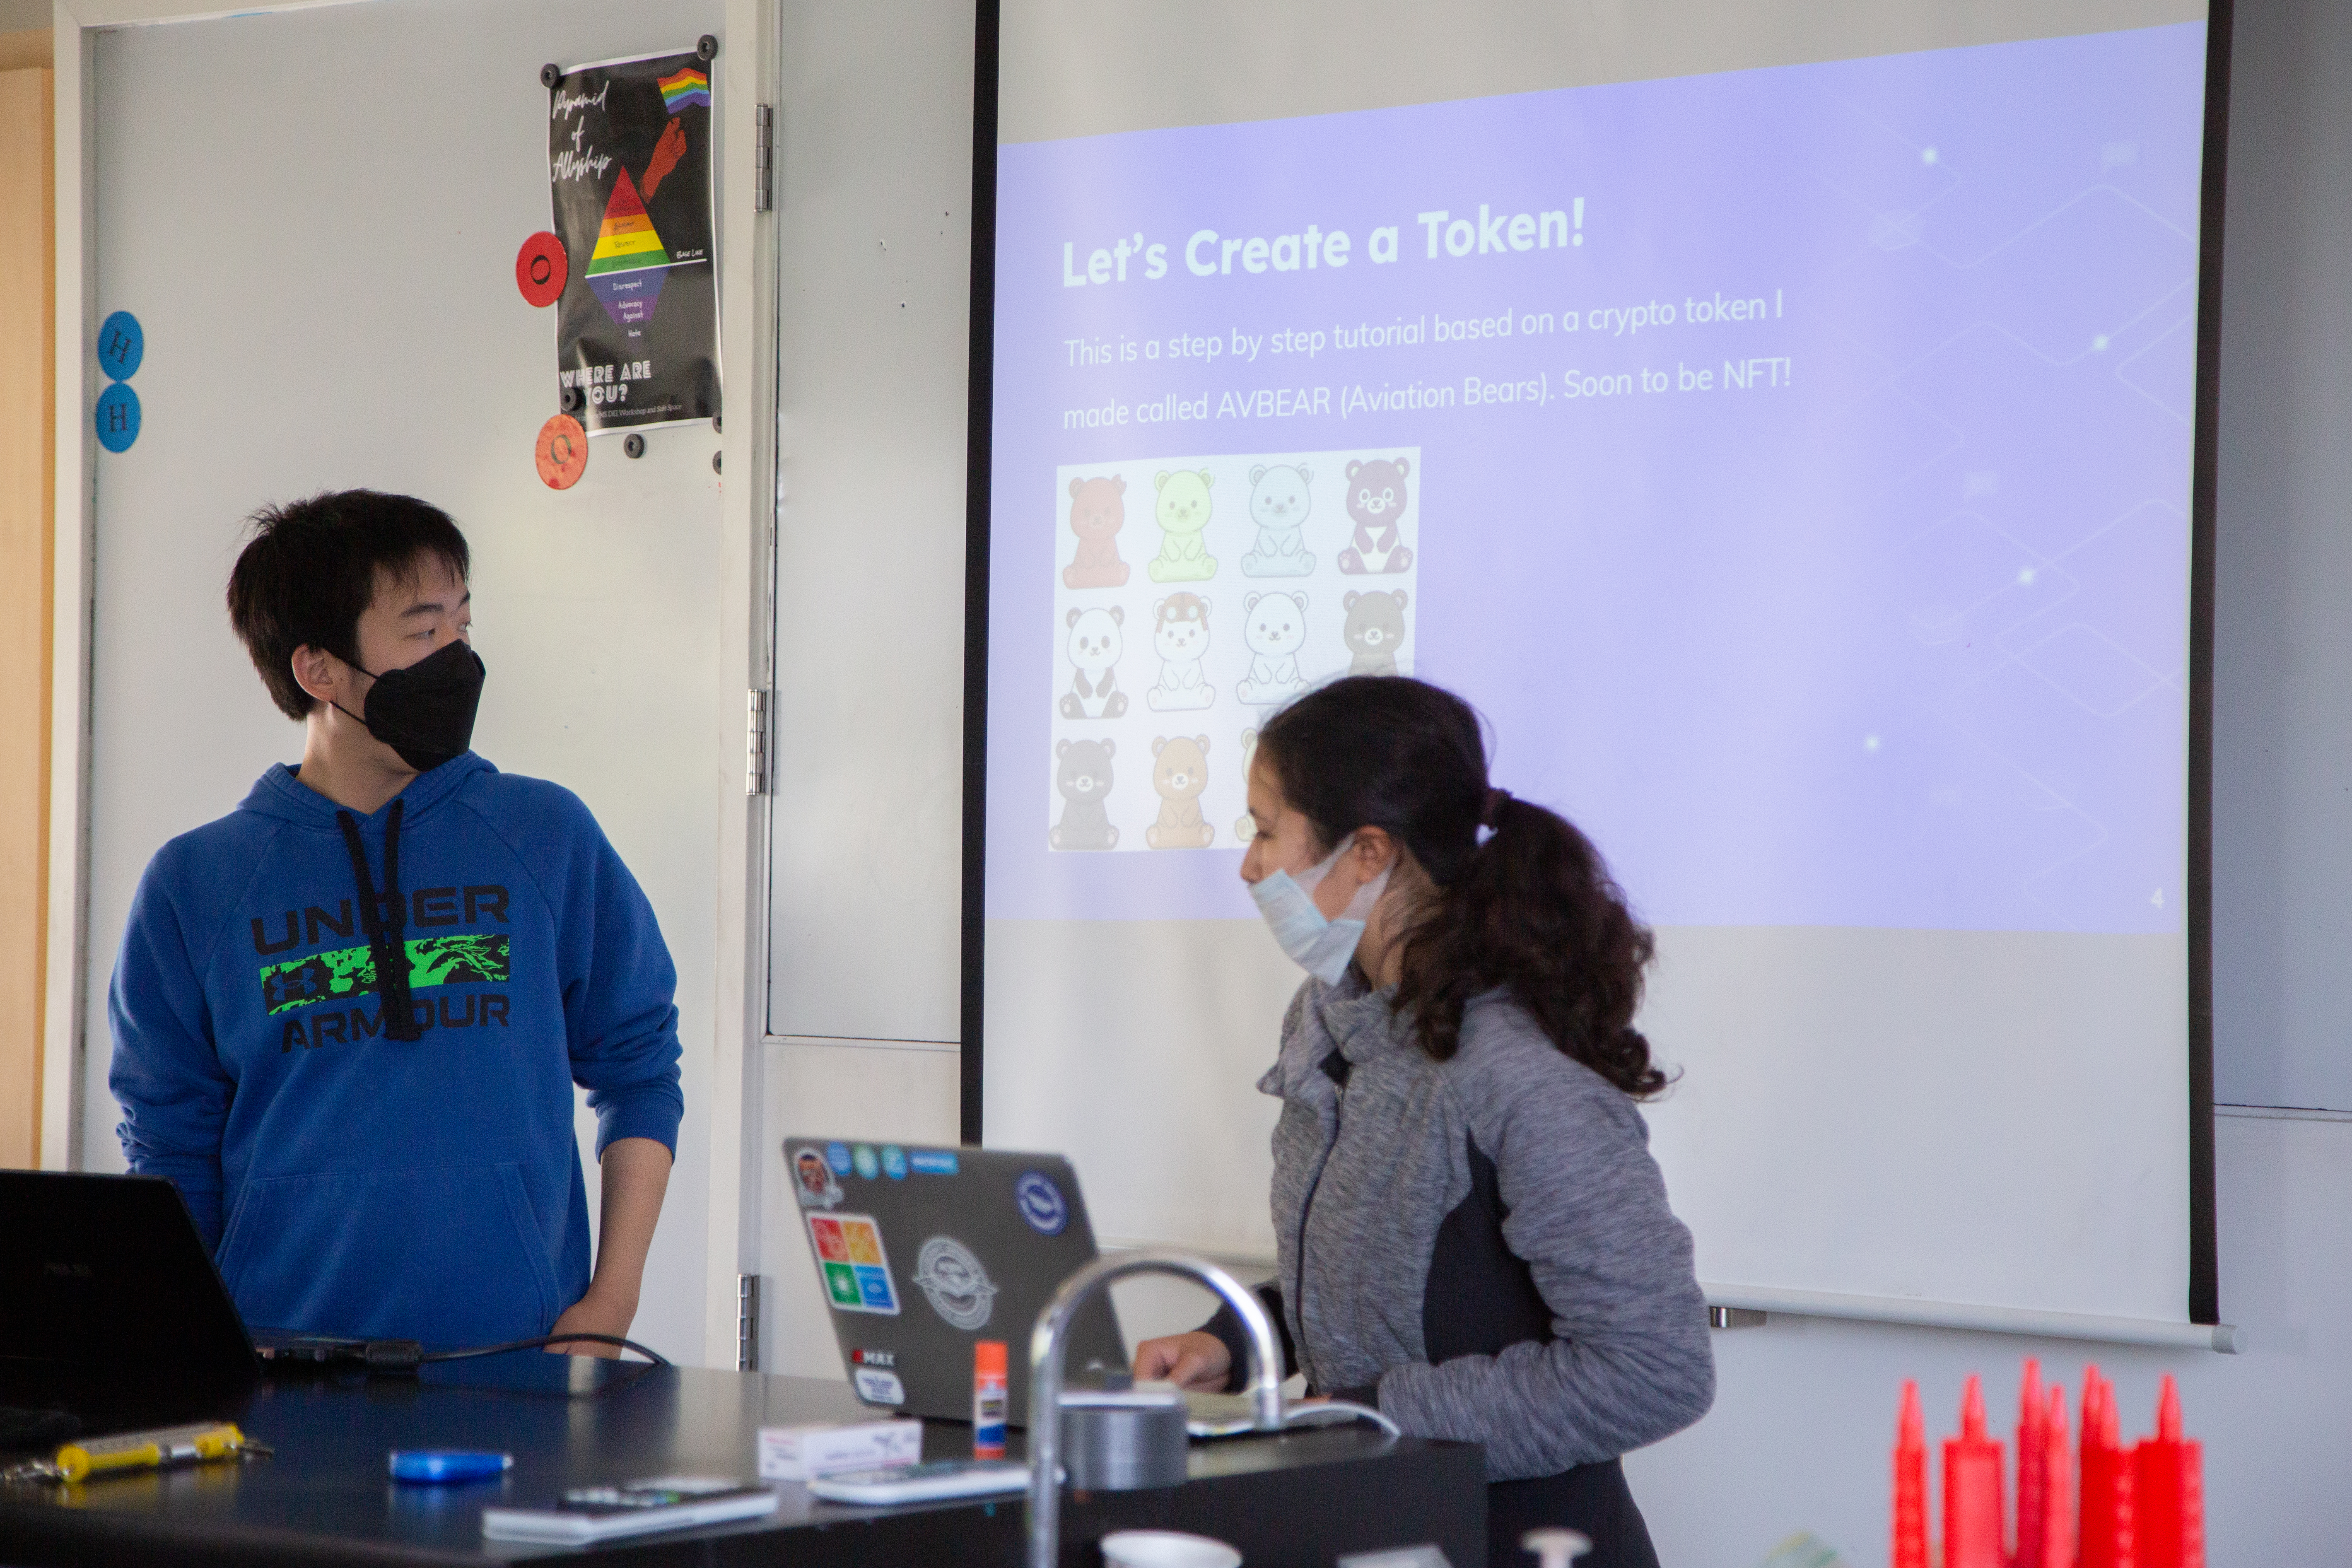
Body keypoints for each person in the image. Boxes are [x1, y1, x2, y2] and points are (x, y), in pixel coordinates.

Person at [1133, 676, 1713, 1568]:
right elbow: (1385, 1283)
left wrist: (1368, 1420)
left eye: (1262, 828)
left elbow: (1652, 1370)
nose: (1248, 864)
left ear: (1367, 852)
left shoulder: (1518, 1076)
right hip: (1370, 1530)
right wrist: (1235, 1343)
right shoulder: (1330, 1018)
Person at [109, 491, 683, 1355]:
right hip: (279, 1376)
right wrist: (190, 1350)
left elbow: (640, 1070)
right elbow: (168, 1146)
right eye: (423, 633)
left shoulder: (544, 835)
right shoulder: (196, 884)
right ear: (320, 671)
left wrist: (611, 1305)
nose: (456, 658)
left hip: (516, 1364)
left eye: (462, 625)